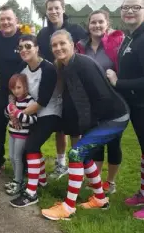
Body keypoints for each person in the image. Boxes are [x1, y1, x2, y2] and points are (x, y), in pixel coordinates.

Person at [41, 29, 129, 221]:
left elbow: (101, 99)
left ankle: (68, 207)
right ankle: (100, 199)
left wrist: (90, 127)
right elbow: (80, 100)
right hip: (101, 119)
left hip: (114, 117)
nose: (58, 48)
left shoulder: (83, 64)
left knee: (76, 153)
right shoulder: (65, 66)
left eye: (62, 43)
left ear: (72, 45)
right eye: (54, 45)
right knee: (84, 153)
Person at [37, 0, 87, 179]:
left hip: (74, 85)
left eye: (57, 8)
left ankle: (78, 165)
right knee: (59, 127)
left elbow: (87, 48)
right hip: (53, 85)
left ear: (63, 9)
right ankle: (61, 164)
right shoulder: (42, 33)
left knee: (75, 127)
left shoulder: (76, 30)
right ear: (46, 11)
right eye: (50, 8)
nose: (53, 11)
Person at [8, 34, 62, 208]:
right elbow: (12, 89)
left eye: (28, 46)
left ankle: (31, 193)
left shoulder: (48, 69)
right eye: (21, 47)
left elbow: (43, 102)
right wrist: (13, 109)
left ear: (37, 48)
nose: (24, 50)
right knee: (30, 147)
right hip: (30, 112)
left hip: (49, 113)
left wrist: (17, 114)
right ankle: (42, 181)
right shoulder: (22, 67)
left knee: (30, 146)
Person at [76, 10, 125, 194]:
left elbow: (125, 67)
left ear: (107, 24)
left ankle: (110, 183)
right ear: (88, 25)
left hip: (113, 102)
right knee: (95, 144)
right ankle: (95, 181)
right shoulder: (81, 46)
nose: (96, 25)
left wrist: (117, 77)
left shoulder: (116, 44)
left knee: (113, 142)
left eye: (100, 22)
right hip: (92, 104)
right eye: (93, 22)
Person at [106, 0, 144, 220]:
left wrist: (118, 82)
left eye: (136, 8)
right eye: (126, 7)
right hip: (134, 104)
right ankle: (142, 192)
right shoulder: (131, 37)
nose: (130, 11)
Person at [0, 5, 31, 176]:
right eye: (2, 19)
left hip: (23, 91)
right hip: (3, 89)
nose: (5, 22)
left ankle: (25, 165)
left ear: (16, 21)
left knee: (23, 126)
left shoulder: (23, 39)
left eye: (9, 19)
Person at [4, 73, 38, 196]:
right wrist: (9, 110)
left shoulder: (30, 101)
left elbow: (34, 120)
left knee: (18, 158)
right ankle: (16, 179)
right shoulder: (13, 101)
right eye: (13, 88)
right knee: (12, 157)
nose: (16, 91)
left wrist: (19, 115)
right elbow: (7, 113)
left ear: (25, 87)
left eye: (19, 87)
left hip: (22, 135)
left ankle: (18, 182)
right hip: (12, 133)